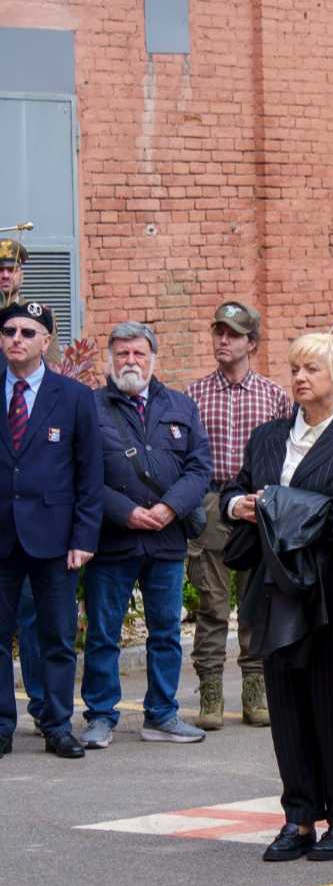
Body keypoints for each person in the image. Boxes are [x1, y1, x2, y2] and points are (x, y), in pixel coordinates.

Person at [225, 333, 333, 862]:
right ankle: (299, 817)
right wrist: (239, 504)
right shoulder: (267, 436)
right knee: (285, 708)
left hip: (330, 590)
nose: (300, 378)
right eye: (295, 369)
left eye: (312, 368)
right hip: (274, 589)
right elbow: (234, 490)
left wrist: (283, 506)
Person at [79, 321, 212, 748]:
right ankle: (100, 716)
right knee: (103, 633)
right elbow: (80, 474)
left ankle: (161, 714)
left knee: (166, 633)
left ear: (154, 359)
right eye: (122, 354)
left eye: (138, 353)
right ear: (110, 360)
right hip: (112, 540)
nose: (130, 361)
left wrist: (169, 507)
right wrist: (125, 512)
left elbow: (199, 468)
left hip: (166, 540)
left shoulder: (181, 406)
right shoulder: (89, 407)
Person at [0, 301, 101, 762]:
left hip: (55, 538)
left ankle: (57, 725)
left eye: (27, 332)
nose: (16, 339)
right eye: (9, 331)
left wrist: (84, 537)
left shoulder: (74, 397)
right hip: (1, 535)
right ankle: (2, 725)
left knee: (57, 637)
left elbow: (89, 474)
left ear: (45, 342)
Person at [185, 301, 291, 729]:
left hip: (257, 506)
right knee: (211, 602)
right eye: (218, 333)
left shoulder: (275, 397)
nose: (223, 340)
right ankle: (210, 690)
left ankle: (255, 686)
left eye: (232, 334)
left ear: (252, 343)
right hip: (210, 502)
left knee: (255, 602)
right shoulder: (192, 396)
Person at [0, 239, 24, 306]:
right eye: (0, 270)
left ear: (21, 277)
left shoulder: (35, 315)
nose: (5, 275)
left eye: (11, 270)